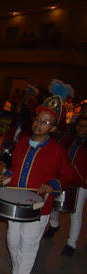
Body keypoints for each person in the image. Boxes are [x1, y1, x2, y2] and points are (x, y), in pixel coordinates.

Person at [0, 91, 75, 274]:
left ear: (53, 128)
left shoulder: (57, 150)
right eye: (38, 119)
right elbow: (15, 168)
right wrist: (6, 176)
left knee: (28, 247)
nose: (39, 124)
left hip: (39, 208)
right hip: (16, 204)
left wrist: (52, 184)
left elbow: (68, 176)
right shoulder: (21, 143)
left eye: (46, 122)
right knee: (13, 242)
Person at [44, 93, 86, 257]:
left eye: (85, 126)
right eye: (79, 125)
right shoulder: (69, 140)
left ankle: (71, 244)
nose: (81, 128)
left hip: (81, 184)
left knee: (75, 214)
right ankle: (54, 225)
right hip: (63, 179)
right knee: (54, 205)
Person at [0, 96, 33, 173]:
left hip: (19, 154)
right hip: (11, 152)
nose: (17, 107)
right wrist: (3, 145)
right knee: (5, 172)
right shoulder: (17, 119)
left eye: (19, 105)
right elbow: (10, 135)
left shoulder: (29, 126)